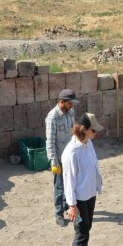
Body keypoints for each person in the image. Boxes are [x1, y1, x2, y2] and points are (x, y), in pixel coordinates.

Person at [63, 112, 104, 246]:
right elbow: (69, 180)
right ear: (84, 130)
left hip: (89, 195)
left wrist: (98, 187)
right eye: (93, 130)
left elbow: (93, 167)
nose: (96, 133)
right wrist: (72, 205)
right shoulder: (72, 152)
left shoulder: (88, 144)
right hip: (78, 200)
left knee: (87, 228)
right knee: (81, 233)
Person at [46, 88, 79, 227]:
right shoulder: (52, 117)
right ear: (62, 102)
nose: (72, 105)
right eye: (70, 103)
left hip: (70, 156)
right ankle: (59, 213)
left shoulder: (70, 112)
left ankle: (68, 206)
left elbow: (74, 132)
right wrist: (54, 161)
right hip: (59, 158)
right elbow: (50, 141)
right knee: (59, 187)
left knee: (72, 183)